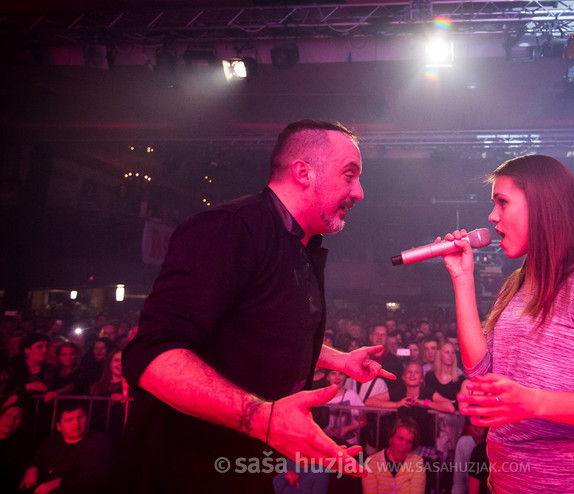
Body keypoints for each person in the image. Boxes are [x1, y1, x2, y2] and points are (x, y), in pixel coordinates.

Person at [119, 120, 394, 493]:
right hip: (181, 471)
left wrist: (338, 359)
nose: (359, 192)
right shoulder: (228, 229)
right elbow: (153, 355)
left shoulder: (299, 245)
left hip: (242, 467)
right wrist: (263, 419)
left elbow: (264, 335)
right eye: (350, 175)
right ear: (303, 172)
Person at [439, 155, 574, 493]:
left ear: (541, 207)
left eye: (502, 202)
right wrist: (463, 279)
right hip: (503, 484)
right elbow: (482, 372)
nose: (492, 217)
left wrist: (533, 402)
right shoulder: (517, 285)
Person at [20, 401, 111, 493]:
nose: (76, 423)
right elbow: (38, 458)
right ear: (59, 426)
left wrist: (58, 483)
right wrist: (31, 468)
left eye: (81, 417)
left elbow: (96, 476)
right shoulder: (54, 441)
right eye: (69, 420)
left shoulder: (98, 441)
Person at [361, 417, 425, 494]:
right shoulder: (372, 463)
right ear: (391, 438)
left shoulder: (417, 463)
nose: (404, 446)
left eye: (409, 442)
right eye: (400, 438)